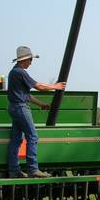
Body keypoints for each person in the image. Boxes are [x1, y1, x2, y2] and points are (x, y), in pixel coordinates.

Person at [7, 46, 66, 178]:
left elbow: (26, 95)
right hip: (21, 108)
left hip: (14, 108)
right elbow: (39, 86)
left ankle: (14, 170)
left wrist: (41, 104)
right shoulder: (20, 72)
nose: (31, 62)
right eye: (30, 60)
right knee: (33, 137)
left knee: (16, 140)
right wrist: (55, 86)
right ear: (24, 60)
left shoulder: (13, 72)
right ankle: (33, 169)